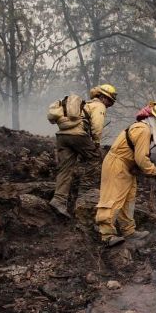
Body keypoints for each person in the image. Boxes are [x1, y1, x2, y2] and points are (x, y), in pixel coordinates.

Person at [94, 102, 156, 246]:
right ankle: (106, 234)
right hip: (117, 164)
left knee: (128, 199)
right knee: (113, 197)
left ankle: (128, 231)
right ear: (155, 119)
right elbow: (141, 158)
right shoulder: (143, 130)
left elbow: (138, 156)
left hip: (127, 166)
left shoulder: (144, 129)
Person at [49, 84, 116, 218]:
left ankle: (59, 200)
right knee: (95, 158)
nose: (109, 103)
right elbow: (97, 125)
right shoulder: (99, 106)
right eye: (109, 99)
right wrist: (96, 142)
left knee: (65, 168)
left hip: (62, 135)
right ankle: (85, 194)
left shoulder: (86, 105)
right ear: (102, 97)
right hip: (78, 135)